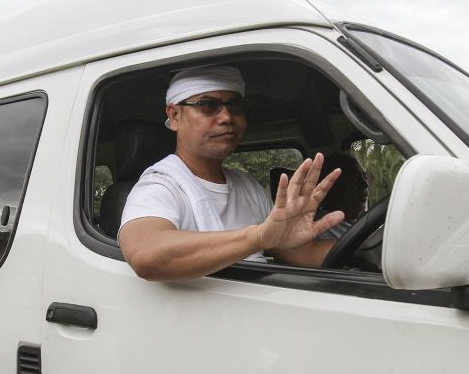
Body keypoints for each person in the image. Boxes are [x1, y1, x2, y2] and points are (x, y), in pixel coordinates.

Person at [118, 65, 344, 281]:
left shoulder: (246, 185)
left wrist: (372, 248)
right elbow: (145, 254)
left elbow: (303, 253)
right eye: (208, 105)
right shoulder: (160, 185)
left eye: (235, 106)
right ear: (175, 115)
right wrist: (257, 238)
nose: (227, 117)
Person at [315, 153, 369, 239]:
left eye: (365, 177)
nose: (365, 184)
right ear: (332, 187)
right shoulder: (322, 230)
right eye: (354, 178)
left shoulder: (364, 220)